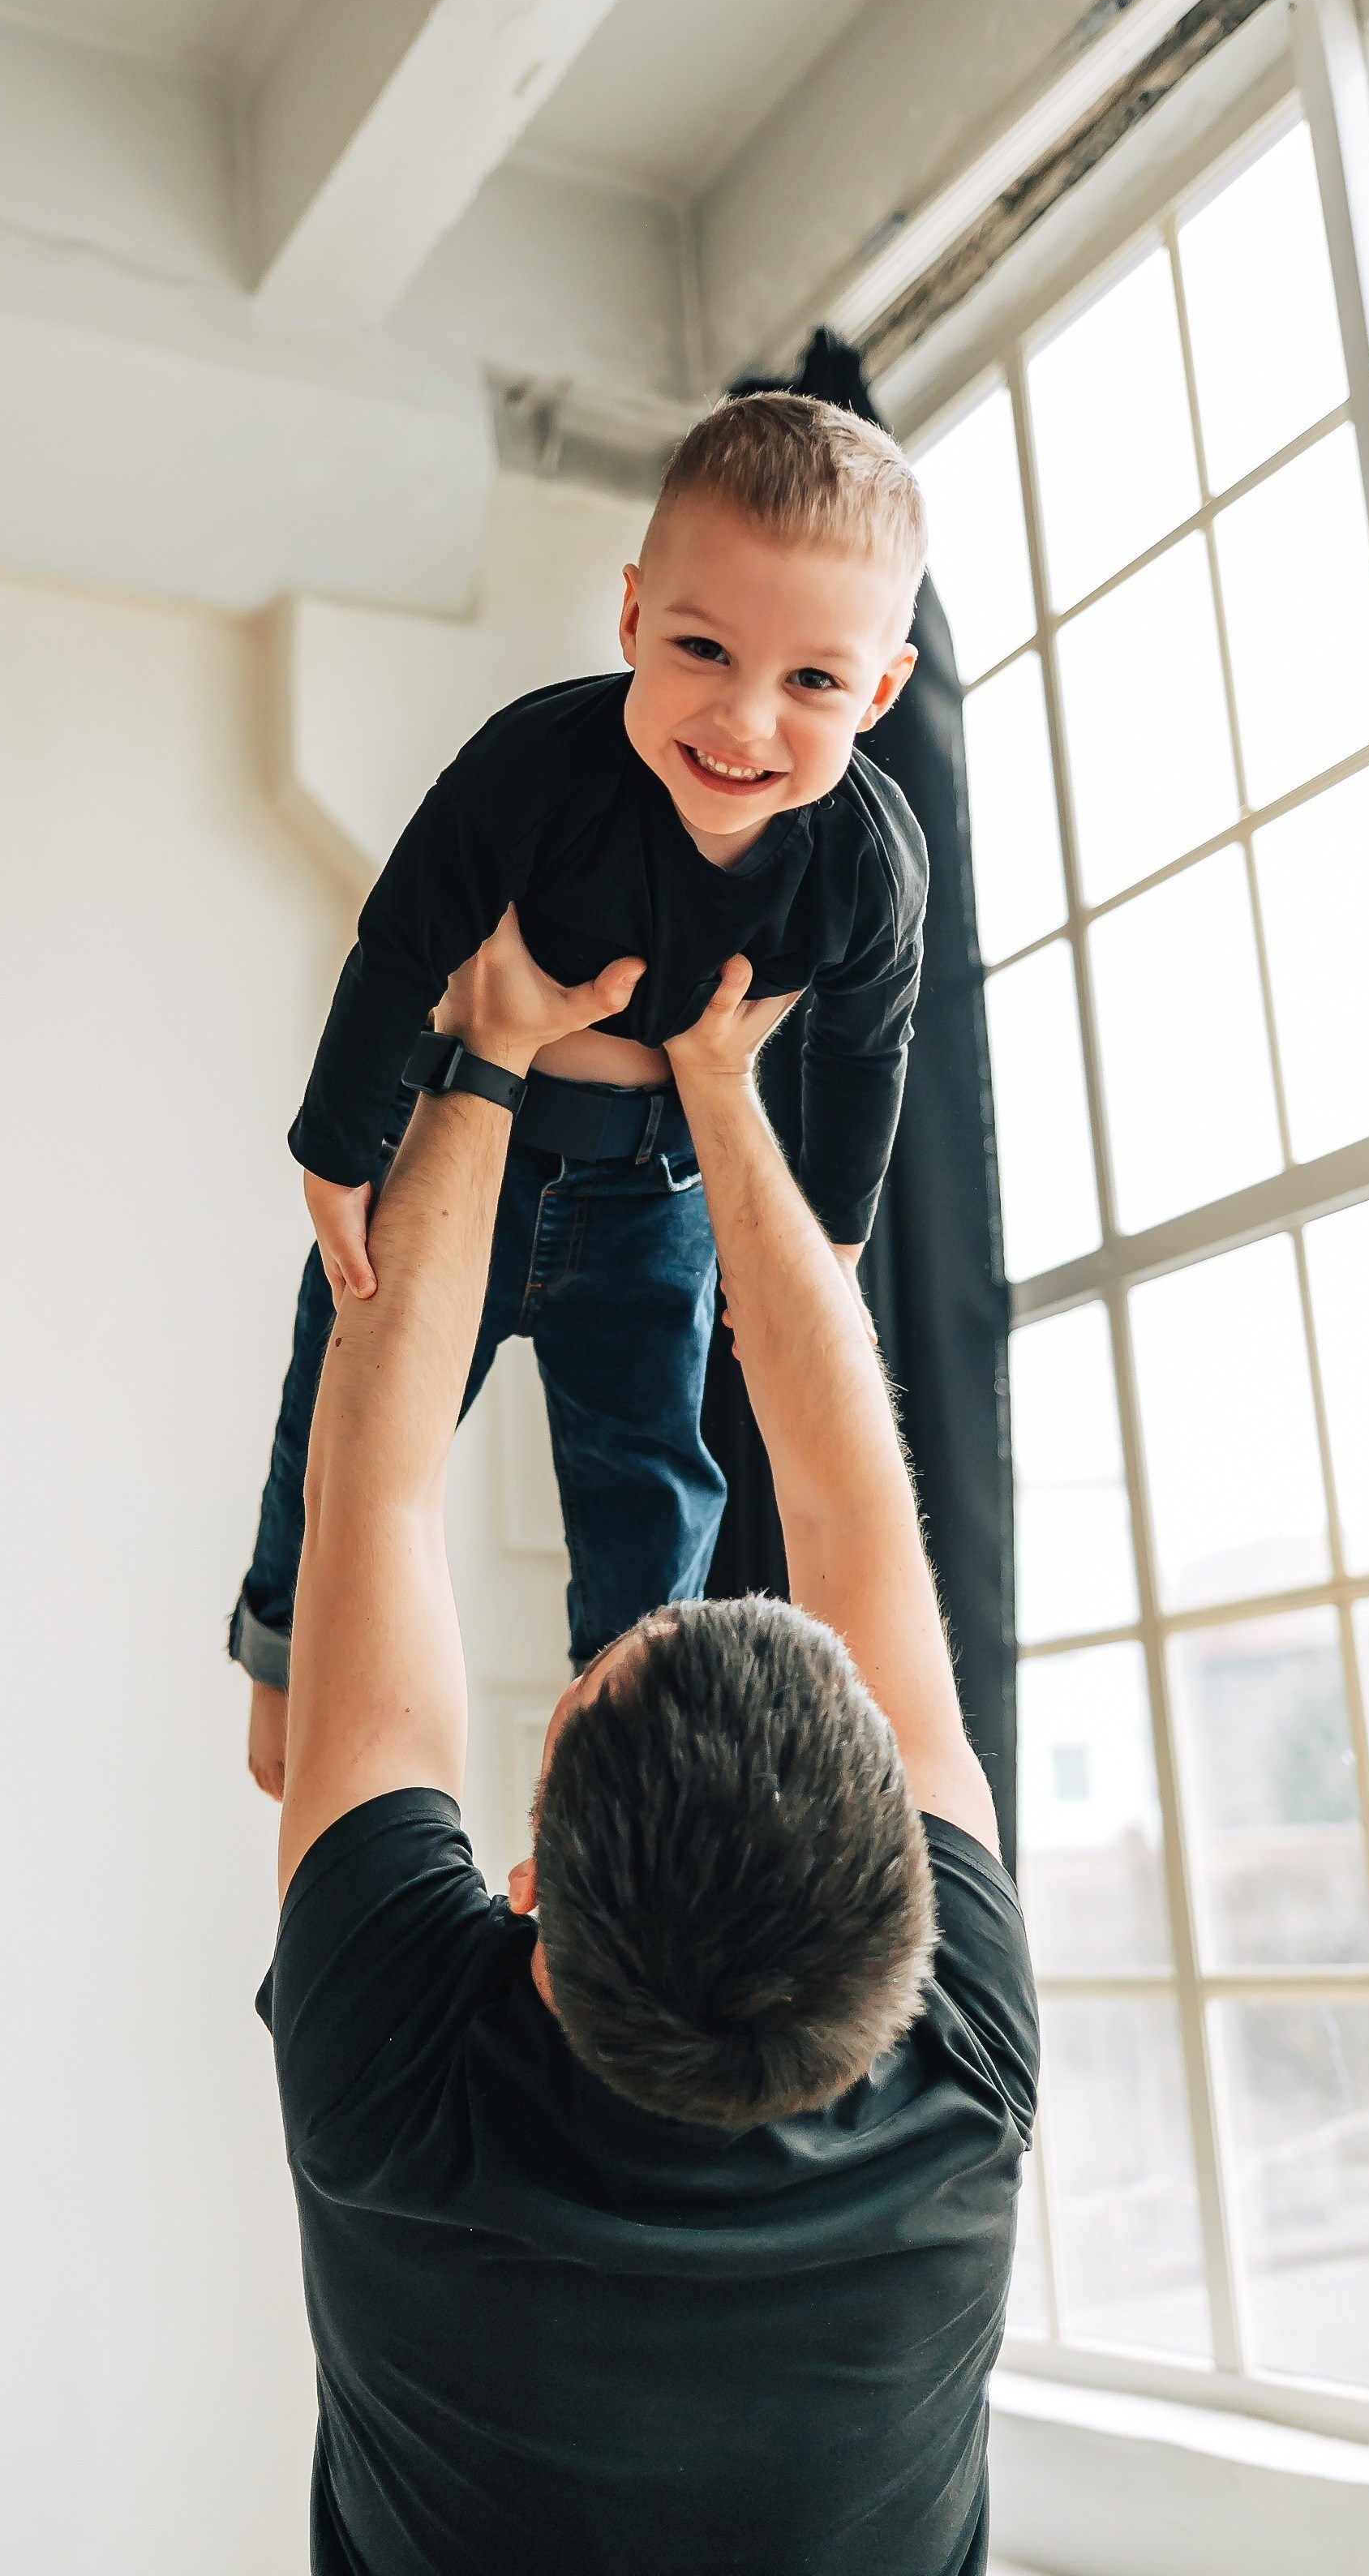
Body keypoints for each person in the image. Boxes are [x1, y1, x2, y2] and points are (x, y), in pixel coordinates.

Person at [260, 903, 1037, 2576]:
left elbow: (375, 1497)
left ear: (527, 1900)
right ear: (901, 1901)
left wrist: (482, 1065)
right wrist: (718, 1089)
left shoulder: (407, 2089)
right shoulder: (954, 2079)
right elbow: (841, 1502)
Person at [235, 391, 931, 1795]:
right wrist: (337, 1149)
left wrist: (838, 1242)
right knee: (351, 1409)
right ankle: (283, 1670)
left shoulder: (865, 862)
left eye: (811, 683)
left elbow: (868, 1047)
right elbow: (402, 939)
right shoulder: (539, 765)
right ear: (630, 620)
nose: (742, 720)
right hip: (473, 1151)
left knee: (652, 1473)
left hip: (658, 1191)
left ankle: (618, 1764)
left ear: (881, 692)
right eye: (701, 650)